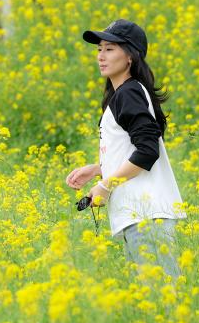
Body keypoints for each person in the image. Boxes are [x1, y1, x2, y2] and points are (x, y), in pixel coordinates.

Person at [65, 19, 186, 278]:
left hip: (146, 216)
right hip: (140, 217)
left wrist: (106, 185)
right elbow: (135, 148)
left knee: (159, 300)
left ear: (130, 56)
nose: (101, 56)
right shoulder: (124, 94)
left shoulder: (129, 93)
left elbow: (147, 150)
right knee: (150, 303)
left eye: (110, 49)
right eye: (99, 49)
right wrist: (98, 169)